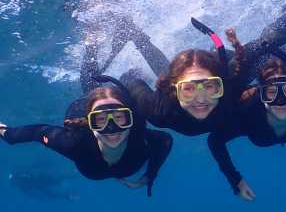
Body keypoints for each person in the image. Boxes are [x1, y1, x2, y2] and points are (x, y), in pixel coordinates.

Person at [0, 26, 173, 197]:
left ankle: (123, 74)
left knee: (117, 86)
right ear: (90, 122)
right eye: (100, 119)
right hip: (81, 110)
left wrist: (151, 174)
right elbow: (39, 133)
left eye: (120, 118)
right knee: (90, 86)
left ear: (130, 120)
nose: (111, 128)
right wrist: (7, 134)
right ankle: (91, 45)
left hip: (106, 107)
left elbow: (165, 141)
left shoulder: (138, 136)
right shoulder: (75, 143)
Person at [122, 5, 286, 136]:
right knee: (164, 71)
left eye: (209, 87)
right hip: (201, 76)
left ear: (220, 85)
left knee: (270, 52)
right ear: (173, 89)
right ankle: (137, 36)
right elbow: (131, 83)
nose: (201, 99)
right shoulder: (159, 110)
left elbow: (256, 49)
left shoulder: (230, 83)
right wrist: (128, 77)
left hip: (220, 66)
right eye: (189, 89)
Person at [207, 57, 286, 201]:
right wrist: (235, 179)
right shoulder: (248, 113)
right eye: (272, 92)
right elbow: (214, 140)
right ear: (261, 93)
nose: (281, 101)